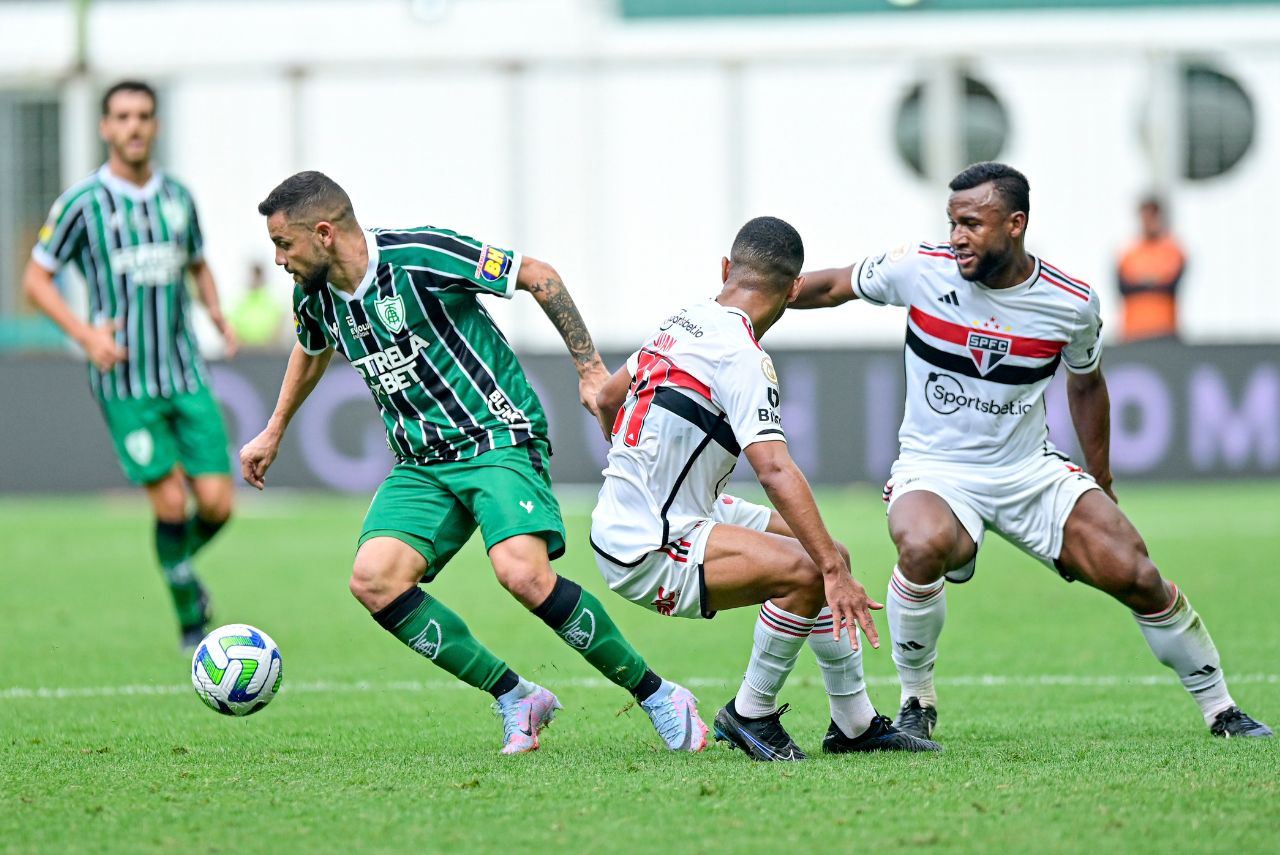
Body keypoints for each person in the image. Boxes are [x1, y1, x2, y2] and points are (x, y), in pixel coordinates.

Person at [791, 162, 1271, 741]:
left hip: (1027, 472)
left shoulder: (1070, 303)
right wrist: (757, 298)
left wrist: (1102, 482)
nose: (957, 236)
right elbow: (831, 285)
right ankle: (917, 700)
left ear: (1015, 224)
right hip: (934, 469)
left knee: (1136, 572)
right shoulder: (918, 268)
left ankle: (1221, 709)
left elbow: (1087, 383)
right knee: (922, 544)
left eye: (972, 223)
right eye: (952, 222)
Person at [241, 170, 703, 755]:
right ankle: (516, 696)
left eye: (284, 244)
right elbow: (311, 350)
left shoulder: (421, 255)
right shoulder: (312, 295)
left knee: (522, 574)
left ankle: (659, 695)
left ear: (325, 233)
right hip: (420, 461)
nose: (279, 259)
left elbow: (538, 276)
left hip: (494, 437)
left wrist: (590, 369)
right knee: (374, 580)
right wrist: (273, 429)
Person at [591, 216, 941, 761]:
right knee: (811, 569)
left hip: (668, 509)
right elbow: (775, 470)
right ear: (795, 289)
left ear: (726, 269)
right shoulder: (742, 355)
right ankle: (749, 713)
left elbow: (609, 399)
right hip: (646, 543)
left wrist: (632, 470)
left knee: (835, 555)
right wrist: (828, 570)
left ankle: (854, 724)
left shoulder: (681, 321)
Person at [22, 80, 236, 652]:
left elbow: (197, 263)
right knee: (169, 502)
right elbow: (35, 279)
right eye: (122, 116)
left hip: (184, 371)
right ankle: (190, 614)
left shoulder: (178, 199)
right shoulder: (82, 204)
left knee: (217, 504)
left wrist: (215, 311)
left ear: (155, 125)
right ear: (105, 127)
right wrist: (84, 333)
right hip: (124, 380)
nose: (134, 126)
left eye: (143, 115)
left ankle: (177, 567)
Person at [1117, 196, 1186, 342]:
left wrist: (1141, 282)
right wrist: (1153, 281)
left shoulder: (1173, 250)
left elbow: (1170, 286)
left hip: (1165, 329)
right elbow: (1123, 288)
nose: (1148, 222)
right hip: (1133, 331)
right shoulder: (1129, 253)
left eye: (1152, 216)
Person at [228, 263, 288, 348]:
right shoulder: (241, 300)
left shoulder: (272, 300)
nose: (254, 279)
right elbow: (232, 323)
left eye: (256, 276)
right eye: (252, 276)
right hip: (245, 350)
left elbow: (280, 323)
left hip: (267, 351)